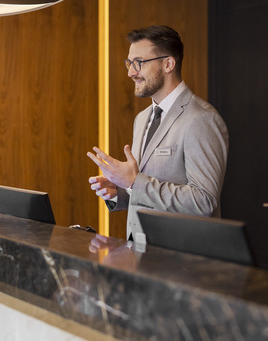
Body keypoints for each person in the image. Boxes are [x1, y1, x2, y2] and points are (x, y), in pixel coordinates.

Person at [87, 25, 228, 240]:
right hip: (141, 252)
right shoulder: (142, 118)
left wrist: (134, 182)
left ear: (168, 64)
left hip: (181, 261)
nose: (130, 72)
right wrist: (122, 191)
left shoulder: (201, 119)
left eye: (139, 63)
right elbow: (147, 189)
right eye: (129, 63)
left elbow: (204, 201)